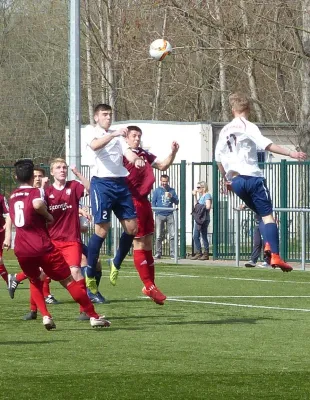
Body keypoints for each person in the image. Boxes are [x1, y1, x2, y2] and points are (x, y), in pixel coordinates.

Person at [4, 159, 110, 330]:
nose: (62, 170)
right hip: (43, 245)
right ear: (33, 176)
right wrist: (48, 216)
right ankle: (93, 316)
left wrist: (9, 235)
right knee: (68, 280)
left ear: (16, 176)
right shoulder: (38, 192)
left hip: (23, 248)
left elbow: (11, 215)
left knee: (36, 280)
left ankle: (45, 315)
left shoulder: (14, 195)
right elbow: (38, 204)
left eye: (64, 167)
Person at [215, 91, 307, 272]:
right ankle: (276, 255)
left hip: (236, 181)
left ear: (232, 109)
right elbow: (267, 145)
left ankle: (266, 245)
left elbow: (218, 158)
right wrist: (291, 153)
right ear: (248, 108)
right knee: (268, 216)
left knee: (260, 215)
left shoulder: (224, 130)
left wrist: (225, 179)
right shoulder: (248, 126)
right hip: (252, 177)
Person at [108, 126, 179, 304]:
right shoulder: (123, 154)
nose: (137, 138)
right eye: (134, 135)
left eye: (139, 136)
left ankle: (151, 286)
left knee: (147, 242)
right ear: (127, 138)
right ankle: (148, 285)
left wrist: (173, 152)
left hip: (144, 201)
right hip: (131, 200)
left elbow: (162, 165)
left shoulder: (144, 154)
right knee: (139, 242)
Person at [83, 103, 145, 295]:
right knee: (102, 230)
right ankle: (90, 272)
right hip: (102, 184)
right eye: (104, 114)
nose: (108, 117)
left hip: (120, 184)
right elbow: (94, 145)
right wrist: (113, 134)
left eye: (110, 114)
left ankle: (115, 261)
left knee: (132, 228)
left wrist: (135, 159)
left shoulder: (117, 135)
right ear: (96, 117)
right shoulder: (91, 131)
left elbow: (126, 152)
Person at [8, 167, 60, 323]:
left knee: (40, 274)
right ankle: (35, 308)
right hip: (40, 240)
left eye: (40, 176)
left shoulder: (46, 193)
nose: (38, 178)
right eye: (35, 176)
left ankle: (19, 281)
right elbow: (13, 215)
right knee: (41, 274)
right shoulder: (29, 195)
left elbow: (61, 208)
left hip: (55, 235)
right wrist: (8, 235)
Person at [151, 174, 179, 259]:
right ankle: (158, 253)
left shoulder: (172, 190)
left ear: (168, 181)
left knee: (172, 235)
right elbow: (153, 202)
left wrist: (172, 197)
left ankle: (173, 253)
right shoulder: (157, 191)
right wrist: (156, 211)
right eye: (163, 181)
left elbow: (177, 202)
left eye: (166, 181)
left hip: (170, 214)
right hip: (160, 215)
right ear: (160, 181)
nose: (164, 183)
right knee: (159, 235)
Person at [190, 181, 212, 260]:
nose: (197, 189)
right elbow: (196, 206)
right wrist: (195, 196)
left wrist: (200, 207)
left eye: (199, 187)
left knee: (203, 235)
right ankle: (198, 252)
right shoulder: (201, 196)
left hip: (204, 218)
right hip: (199, 218)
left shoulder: (207, 195)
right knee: (195, 235)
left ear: (203, 188)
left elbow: (208, 206)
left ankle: (206, 253)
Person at [0, 192, 9, 285]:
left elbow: (8, 213)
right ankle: (8, 280)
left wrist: (7, 224)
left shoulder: (1, 198)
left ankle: (8, 280)